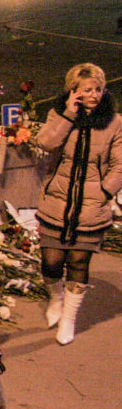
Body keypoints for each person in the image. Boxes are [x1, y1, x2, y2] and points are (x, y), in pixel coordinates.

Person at [34, 63, 122, 345]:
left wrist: (105, 193)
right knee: (51, 261)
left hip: (91, 205)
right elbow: (45, 142)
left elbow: (120, 164)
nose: (95, 95)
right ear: (74, 91)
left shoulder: (115, 122)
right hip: (56, 201)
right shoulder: (58, 113)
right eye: (87, 90)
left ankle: (69, 319)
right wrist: (69, 114)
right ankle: (55, 299)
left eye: (98, 89)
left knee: (79, 261)